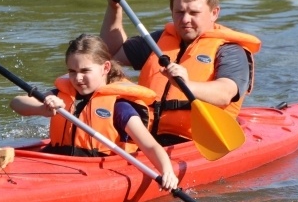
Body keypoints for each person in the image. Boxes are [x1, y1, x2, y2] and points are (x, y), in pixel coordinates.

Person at [100, 0, 261, 145]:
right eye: (179, 12)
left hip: (195, 142)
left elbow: (225, 93)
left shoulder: (230, 50)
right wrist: (114, 8)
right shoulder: (158, 41)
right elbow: (108, 54)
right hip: (145, 139)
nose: (185, 20)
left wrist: (186, 84)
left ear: (214, 13)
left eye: (194, 13)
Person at [10, 34, 179, 190]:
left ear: (105, 67)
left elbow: (150, 146)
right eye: (72, 72)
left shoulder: (119, 107)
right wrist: (42, 108)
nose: (77, 78)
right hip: (59, 162)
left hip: (97, 169)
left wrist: (167, 171)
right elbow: (16, 103)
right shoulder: (62, 94)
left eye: (85, 71)